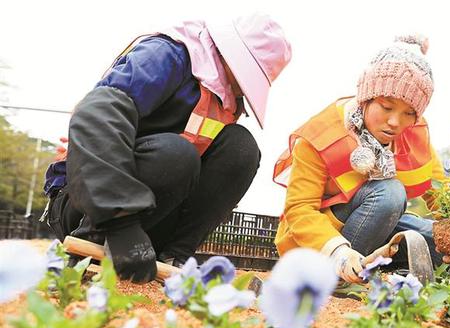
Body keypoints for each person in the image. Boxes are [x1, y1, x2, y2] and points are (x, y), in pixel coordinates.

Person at [42, 14, 292, 283]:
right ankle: (97, 240)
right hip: (90, 204)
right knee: (177, 154)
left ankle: (173, 256)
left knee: (241, 148)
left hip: (152, 216)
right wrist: (119, 221)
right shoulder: (166, 56)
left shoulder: (228, 97)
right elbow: (97, 113)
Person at [273, 35, 450, 283]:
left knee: (439, 243)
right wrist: (339, 253)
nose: (395, 122)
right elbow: (299, 209)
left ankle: (373, 270)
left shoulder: (413, 134)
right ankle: (335, 277)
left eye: (409, 113)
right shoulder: (321, 136)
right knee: (390, 193)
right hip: (320, 247)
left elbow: (439, 189)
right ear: (367, 98)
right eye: (386, 107)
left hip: (377, 225)